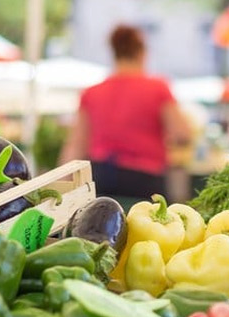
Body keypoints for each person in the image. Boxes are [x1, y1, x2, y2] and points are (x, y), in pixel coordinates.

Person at [61, 25, 191, 199]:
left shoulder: (92, 92)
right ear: (141, 53)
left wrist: (62, 185)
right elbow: (182, 134)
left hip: (101, 176)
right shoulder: (157, 88)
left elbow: (76, 144)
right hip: (145, 178)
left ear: (114, 52)